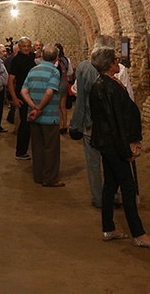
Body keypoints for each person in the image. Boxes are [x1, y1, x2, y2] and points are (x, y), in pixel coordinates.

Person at [89, 45, 150, 248]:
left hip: (108, 144)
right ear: (109, 64)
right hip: (114, 145)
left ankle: (109, 228)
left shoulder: (105, 84)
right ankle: (139, 234)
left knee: (111, 184)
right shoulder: (107, 87)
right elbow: (116, 123)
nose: (118, 62)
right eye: (115, 59)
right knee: (128, 187)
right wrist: (127, 150)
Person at [21, 45, 64, 187]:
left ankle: (38, 176)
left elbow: (24, 91)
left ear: (43, 56)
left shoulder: (33, 70)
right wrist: (39, 108)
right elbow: (49, 92)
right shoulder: (54, 72)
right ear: (57, 58)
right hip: (49, 115)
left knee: (37, 147)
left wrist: (33, 107)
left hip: (33, 116)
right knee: (51, 148)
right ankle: (50, 178)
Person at [69, 58, 101, 208]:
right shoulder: (119, 70)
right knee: (111, 162)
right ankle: (114, 194)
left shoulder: (84, 68)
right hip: (110, 126)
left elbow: (79, 96)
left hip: (90, 123)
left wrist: (76, 124)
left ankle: (98, 198)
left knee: (93, 163)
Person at [7, 37, 36, 160]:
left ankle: (25, 148)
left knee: (29, 123)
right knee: (24, 124)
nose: (26, 48)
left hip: (31, 94)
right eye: (23, 46)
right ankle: (20, 152)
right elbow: (10, 81)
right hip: (22, 95)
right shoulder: (16, 60)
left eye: (28, 46)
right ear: (19, 47)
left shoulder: (30, 58)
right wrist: (14, 98)